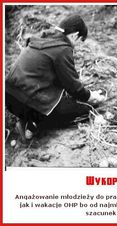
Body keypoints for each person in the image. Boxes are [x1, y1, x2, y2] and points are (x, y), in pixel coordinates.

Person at [6, 13, 106, 141]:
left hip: (9, 98)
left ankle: (27, 118)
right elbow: (73, 87)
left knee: (61, 99)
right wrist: (91, 97)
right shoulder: (62, 49)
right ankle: (35, 123)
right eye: (80, 41)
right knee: (86, 110)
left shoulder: (41, 38)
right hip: (27, 103)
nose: (78, 46)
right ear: (75, 35)